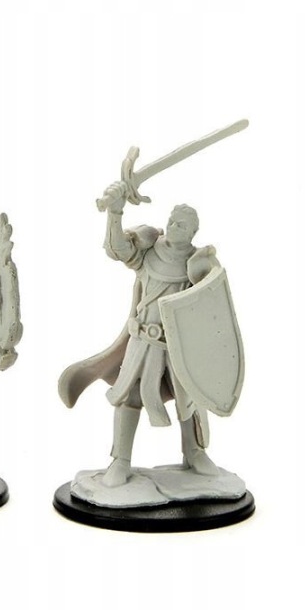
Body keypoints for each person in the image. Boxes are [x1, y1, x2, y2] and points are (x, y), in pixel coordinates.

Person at [59, 180, 220, 487]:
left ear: (193, 232)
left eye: (182, 224)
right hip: (144, 341)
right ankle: (120, 460)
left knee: (189, 397)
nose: (173, 226)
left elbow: (212, 306)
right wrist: (115, 212)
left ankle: (194, 453)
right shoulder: (149, 250)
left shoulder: (198, 262)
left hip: (179, 347)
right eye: (172, 220)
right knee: (129, 396)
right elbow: (118, 248)